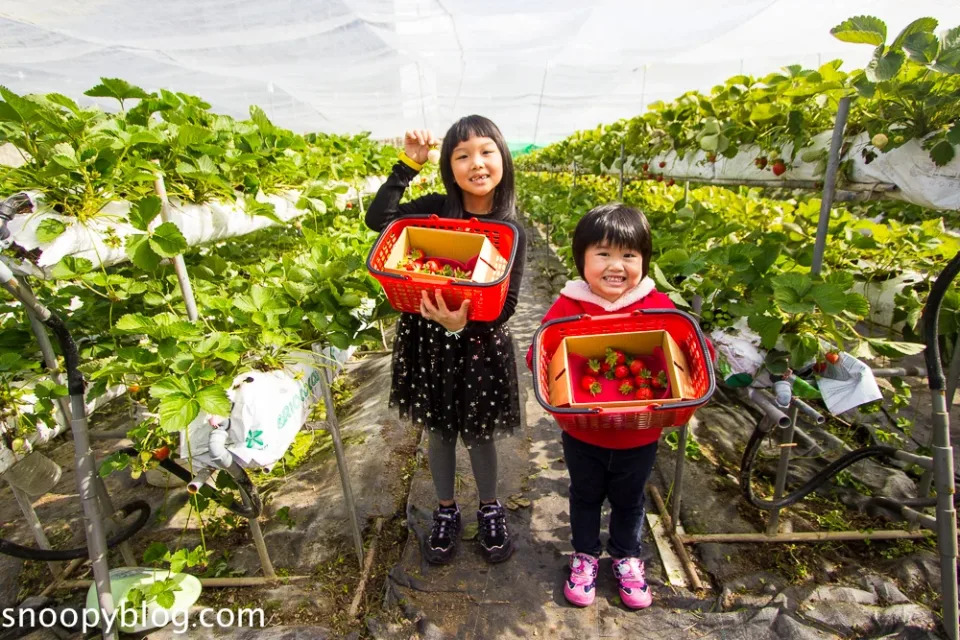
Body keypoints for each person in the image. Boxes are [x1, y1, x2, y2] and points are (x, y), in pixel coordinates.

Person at [365, 115, 526, 565]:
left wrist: (463, 323)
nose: (476, 162)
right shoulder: (435, 209)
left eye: (486, 151)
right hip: (428, 340)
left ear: (503, 159)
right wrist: (406, 166)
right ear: (449, 167)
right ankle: (446, 510)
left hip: (478, 344)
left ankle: (490, 507)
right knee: (439, 430)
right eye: (462, 154)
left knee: (478, 433)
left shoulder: (511, 230)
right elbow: (378, 220)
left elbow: (507, 305)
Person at [525, 203, 670, 609]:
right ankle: (585, 555)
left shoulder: (656, 305)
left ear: (643, 261)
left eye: (629, 255)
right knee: (584, 495)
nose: (616, 265)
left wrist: (698, 358)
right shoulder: (568, 307)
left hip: (640, 432)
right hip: (582, 431)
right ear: (582, 259)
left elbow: (685, 346)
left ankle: (626, 557)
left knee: (631, 499)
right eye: (603, 254)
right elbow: (539, 352)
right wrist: (545, 366)